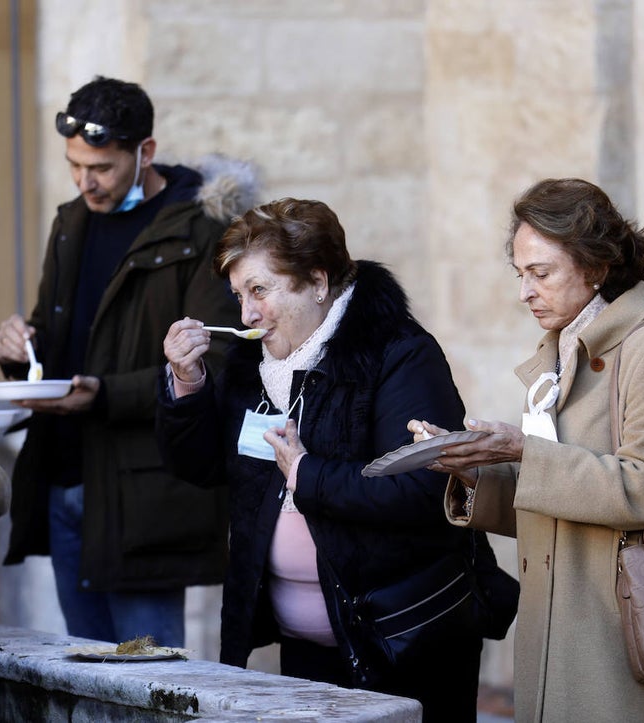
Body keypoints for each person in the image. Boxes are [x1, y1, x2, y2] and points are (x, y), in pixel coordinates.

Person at [410, 178, 644, 721]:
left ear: (595, 266)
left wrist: (520, 449)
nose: (525, 292)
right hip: (562, 628)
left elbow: (642, 490)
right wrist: (474, 472)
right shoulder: (557, 352)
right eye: (521, 274)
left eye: (540, 273)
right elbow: (558, 497)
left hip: (635, 630)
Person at [157, 198, 489, 721]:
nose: (245, 314)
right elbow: (202, 468)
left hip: (402, 637)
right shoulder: (252, 365)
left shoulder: (398, 353)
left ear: (316, 281)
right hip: (307, 644)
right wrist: (187, 384)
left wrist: (309, 475)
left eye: (260, 290)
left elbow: (427, 489)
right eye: (240, 294)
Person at [0, 76, 255, 647]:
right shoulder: (70, 223)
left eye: (102, 168)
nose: (86, 181)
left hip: (146, 494)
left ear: (146, 152)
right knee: (86, 674)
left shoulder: (203, 228)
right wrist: (19, 349)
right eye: (74, 165)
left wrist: (105, 394)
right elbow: (54, 335)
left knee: (148, 681)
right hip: (65, 478)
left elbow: (219, 355)